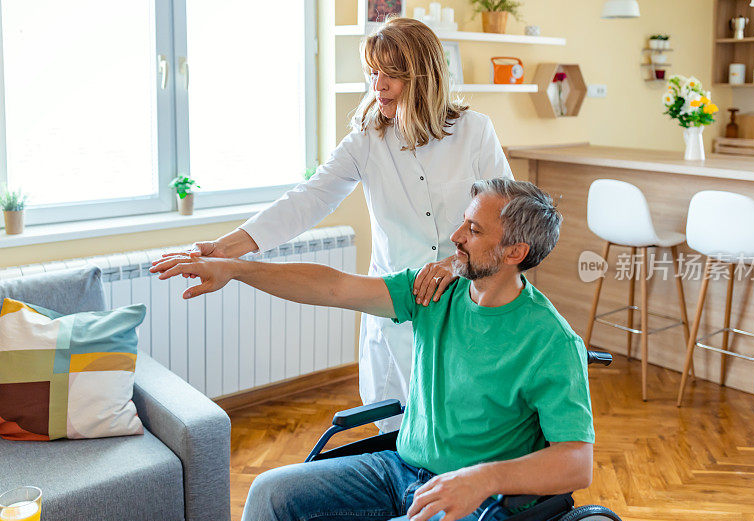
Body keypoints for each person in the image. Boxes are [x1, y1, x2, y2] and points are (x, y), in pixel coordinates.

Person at [153, 179, 594, 521]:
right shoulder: (435, 289)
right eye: (463, 222)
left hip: (484, 501)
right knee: (271, 492)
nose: (456, 237)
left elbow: (576, 461)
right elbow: (334, 286)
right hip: (401, 468)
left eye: (474, 231)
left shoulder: (551, 342)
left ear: (515, 252)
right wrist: (234, 269)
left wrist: (483, 478)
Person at [151, 18, 513, 431]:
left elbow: (503, 214)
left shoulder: (474, 132)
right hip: (395, 305)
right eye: (372, 73)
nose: (377, 86)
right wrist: (224, 248)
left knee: (466, 428)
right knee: (395, 429)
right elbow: (309, 199)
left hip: (465, 299)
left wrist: (456, 265)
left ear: (423, 77)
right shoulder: (366, 140)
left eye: (390, 75)